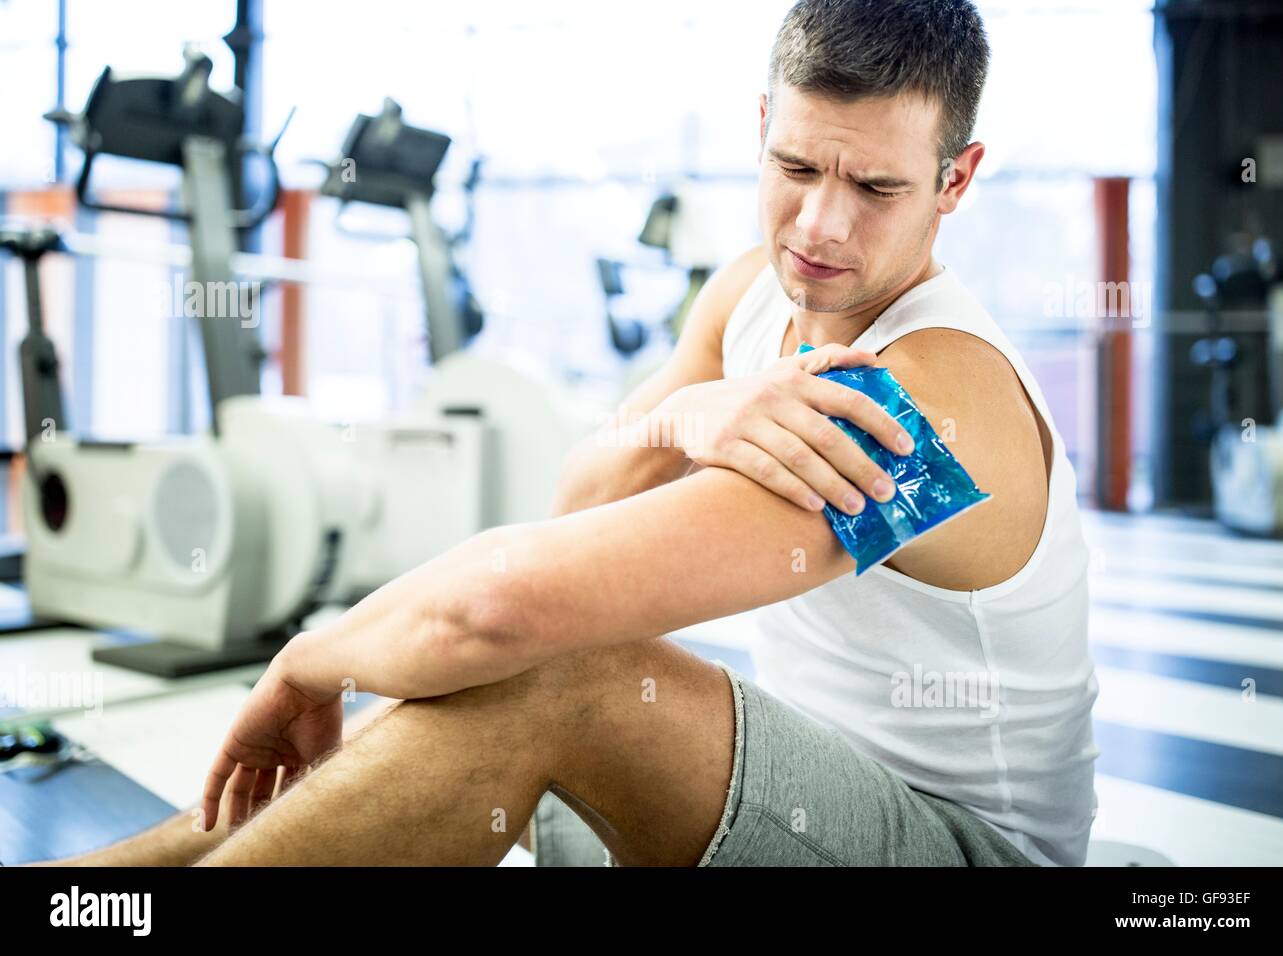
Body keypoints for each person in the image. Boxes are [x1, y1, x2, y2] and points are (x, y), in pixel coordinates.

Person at [38, 0, 1096, 868]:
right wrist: (694, 412)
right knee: (532, 666)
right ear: (760, 122)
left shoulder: (929, 396)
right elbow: (582, 500)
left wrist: (311, 660)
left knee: (556, 667)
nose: (821, 224)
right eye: (797, 167)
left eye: (875, 187)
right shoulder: (749, 299)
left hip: (959, 846)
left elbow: (501, 605)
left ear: (954, 180)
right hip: (802, 785)